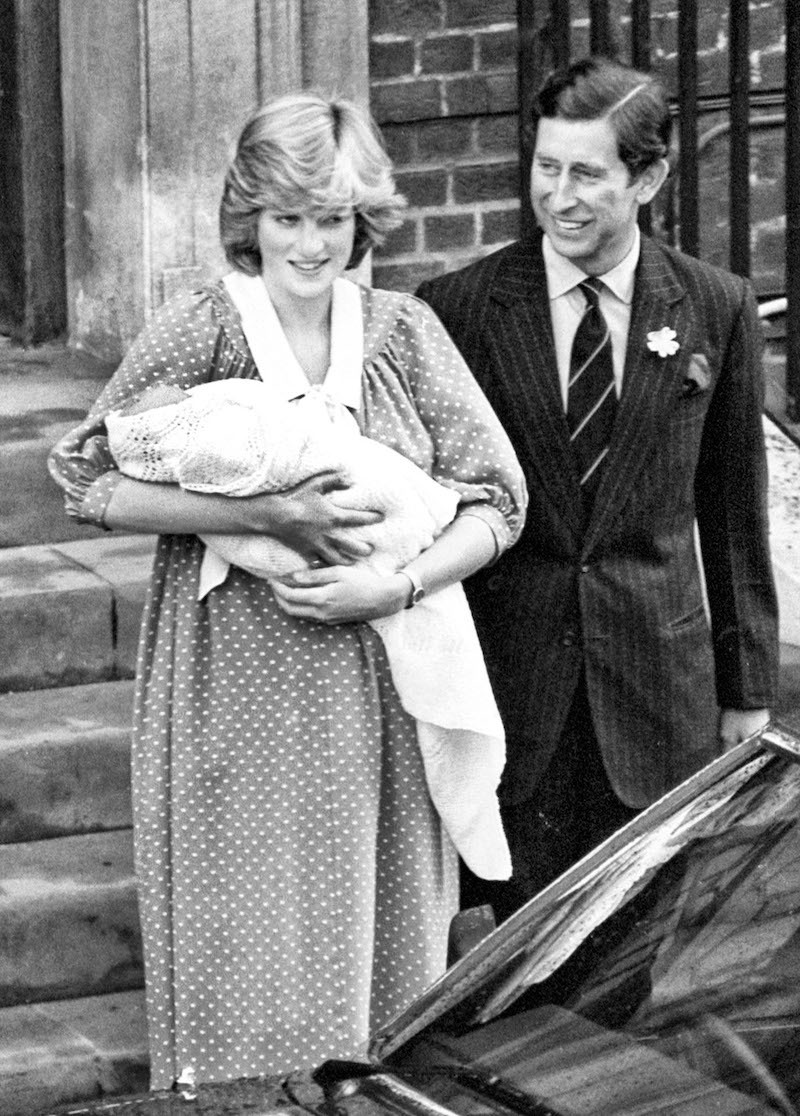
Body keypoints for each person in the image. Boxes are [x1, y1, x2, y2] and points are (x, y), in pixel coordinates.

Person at [48, 92, 526, 1087]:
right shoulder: (206, 329)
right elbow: (85, 477)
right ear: (248, 218)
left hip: (379, 691)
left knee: (376, 949)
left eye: (332, 218)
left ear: (363, 221)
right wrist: (262, 518)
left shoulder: (401, 333)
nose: (310, 245)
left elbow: (497, 502)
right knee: (248, 940)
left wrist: (394, 585)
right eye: (288, 217)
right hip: (235, 686)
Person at [416, 57, 779, 921]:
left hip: (659, 692)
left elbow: (734, 515)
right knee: (512, 951)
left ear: (647, 177)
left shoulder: (714, 307)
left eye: (587, 174)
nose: (561, 196)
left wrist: (747, 690)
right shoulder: (460, 309)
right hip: (512, 693)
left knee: (639, 946)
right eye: (547, 169)